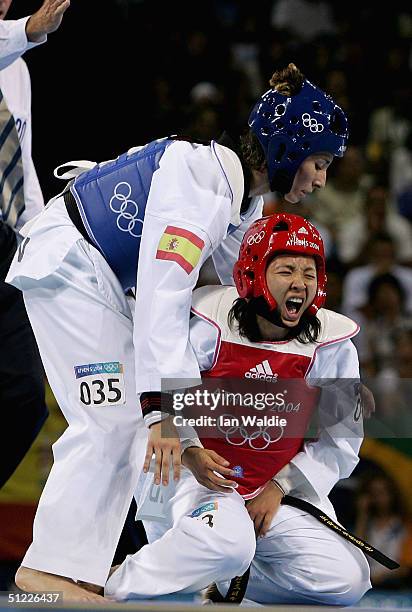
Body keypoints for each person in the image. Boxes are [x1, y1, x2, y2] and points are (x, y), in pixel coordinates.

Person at [7, 63, 348, 600]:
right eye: (320, 162)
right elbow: (163, 301)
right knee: (117, 421)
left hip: (100, 280)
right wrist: (170, 414)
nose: (321, 179)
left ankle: (112, 566)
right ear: (287, 149)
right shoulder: (199, 186)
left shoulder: (241, 202)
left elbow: (255, 300)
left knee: (131, 424)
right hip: (70, 271)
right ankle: (48, 569)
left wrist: (324, 363)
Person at [105, 213, 371, 605]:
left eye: (309, 272)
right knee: (228, 541)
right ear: (254, 273)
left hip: (275, 489)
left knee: (346, 579)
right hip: (193, 477)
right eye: (286, 270)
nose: (300, 282)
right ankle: (108, 581)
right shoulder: (207, 321)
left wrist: (280, 487)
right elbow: (164, 385)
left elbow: (342, 440)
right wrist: (190, 450)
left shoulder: (333, 345)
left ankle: (225, 581)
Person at [0, 0, 70, 488]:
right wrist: (28, 28)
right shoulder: (18, 42)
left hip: (6, 244)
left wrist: (49, 244)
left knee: (24, 396)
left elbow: (21, 167)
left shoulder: (17, 69)